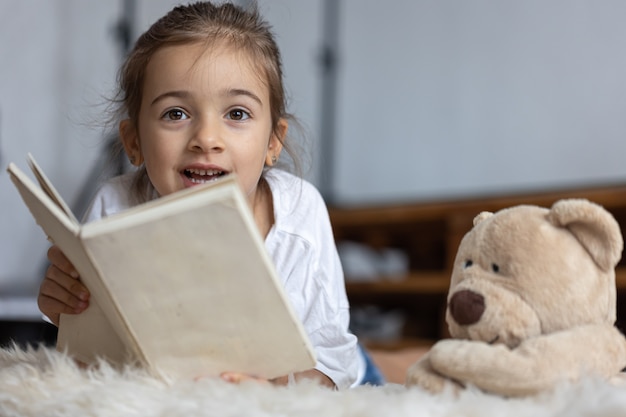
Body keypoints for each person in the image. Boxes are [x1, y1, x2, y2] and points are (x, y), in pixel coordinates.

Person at [37, 1, 383, 389]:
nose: (206, 139)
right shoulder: (114, 206)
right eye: (175, 114)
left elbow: (332, 359)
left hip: (328, 369)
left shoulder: (300, 213)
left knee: (387, 370)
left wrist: (277, 392)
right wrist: (61, 307)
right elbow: (93, 346)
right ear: (133, 142)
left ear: (273, 142)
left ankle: (388, 358)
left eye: (236, 114)